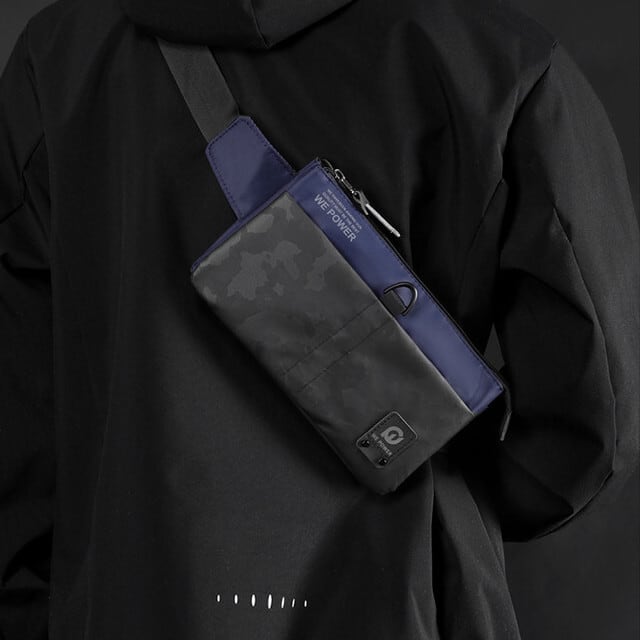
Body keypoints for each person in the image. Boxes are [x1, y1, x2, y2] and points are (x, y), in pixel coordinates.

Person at [0, 0, 638, 638]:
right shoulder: (497, 60)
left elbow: (19, 417)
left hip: (130, 598)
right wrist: (453, 477)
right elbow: (595, 419)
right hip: (413, 600)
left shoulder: (55, 56)